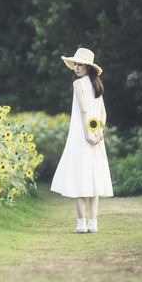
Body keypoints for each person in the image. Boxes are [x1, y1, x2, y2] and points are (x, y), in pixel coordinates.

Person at [51, 47, 113, 233]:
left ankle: (82, 223)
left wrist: (88, 134)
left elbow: (84, 110)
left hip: (82, 135)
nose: (76, 67)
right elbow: (103, 114)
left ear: (88, 66)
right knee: (94, 178)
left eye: (80, 64)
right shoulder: (97, 85)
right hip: (95, 135)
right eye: (75, 64)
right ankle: (92, 223)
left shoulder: (78, 84)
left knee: (81, 178)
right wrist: (99, 132)